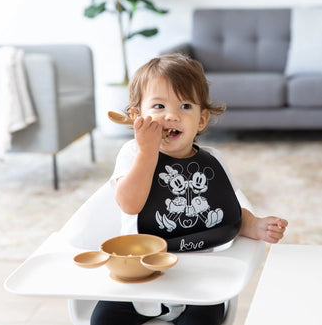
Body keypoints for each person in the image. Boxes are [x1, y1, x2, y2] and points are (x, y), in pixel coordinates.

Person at [90, 53, 288, 325]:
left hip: (198, 279)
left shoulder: (212, 162)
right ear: (137, 117)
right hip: (137, 273)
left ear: (202, 119)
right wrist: (147, 152)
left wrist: (253, 224)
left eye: (184, 106)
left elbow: (222, 209)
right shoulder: (132, 154)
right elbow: (130, 204)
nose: (171, 115)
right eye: (158, 106)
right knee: (103, 320)